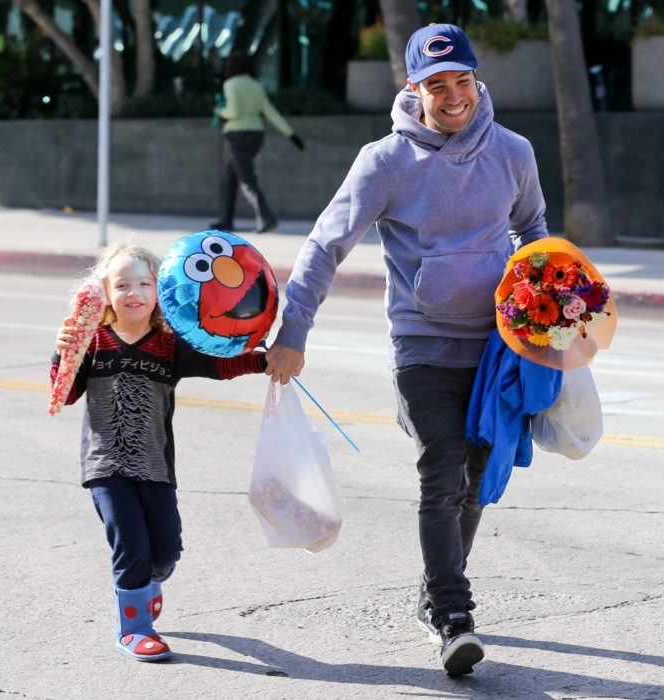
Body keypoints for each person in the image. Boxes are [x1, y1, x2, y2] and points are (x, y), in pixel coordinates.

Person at [264, 23, 549, 676]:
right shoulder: (386, 162)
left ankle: (433, 592)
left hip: (496, 351)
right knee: (442, 465)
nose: (454, 97)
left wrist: (549, 311)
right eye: (437, 85)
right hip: (422, 348)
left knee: (475, 479)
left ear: (478, 81)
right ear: (414, 89)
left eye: (463, 83)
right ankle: (452, 616)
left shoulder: (513, 152)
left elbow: (532, 230)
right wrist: (294, 332)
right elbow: (324, 245)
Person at [50, 242, 267, 662]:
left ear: (160, 292)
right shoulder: (91, 340)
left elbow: (219, 365)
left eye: (144, 283)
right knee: (129, 541)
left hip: (154, 464)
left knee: (165, 551)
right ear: (104, 294)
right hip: (106, 464)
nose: (134, 293)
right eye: (122, 285)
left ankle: (148, 582)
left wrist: (261, 361)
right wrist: (64, 352)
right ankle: (135, 628)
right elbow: (67, 392)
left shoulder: (169, 344)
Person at [210, 50, 304, 234]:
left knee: (247, 181)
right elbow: (270, 112)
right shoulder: (256, 85)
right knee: (229, 178)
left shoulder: (231, 84)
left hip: (238, 136)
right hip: (256, 136)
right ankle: (225, 220)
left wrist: (219, 111)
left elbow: (234, 112)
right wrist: (291, 135)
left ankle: (266, 218)